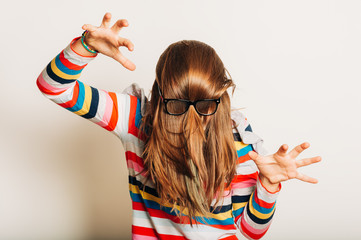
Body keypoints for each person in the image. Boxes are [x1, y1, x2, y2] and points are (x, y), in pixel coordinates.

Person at [36, 12, 321, 240]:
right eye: (177, 105)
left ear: (221, 96)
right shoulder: (136, 118)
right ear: (159, 96)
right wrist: (84, 47)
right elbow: (53, 87)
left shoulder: (238, 138)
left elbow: (250, 231)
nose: (192, 118)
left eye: (206, 105)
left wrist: (268, 185)